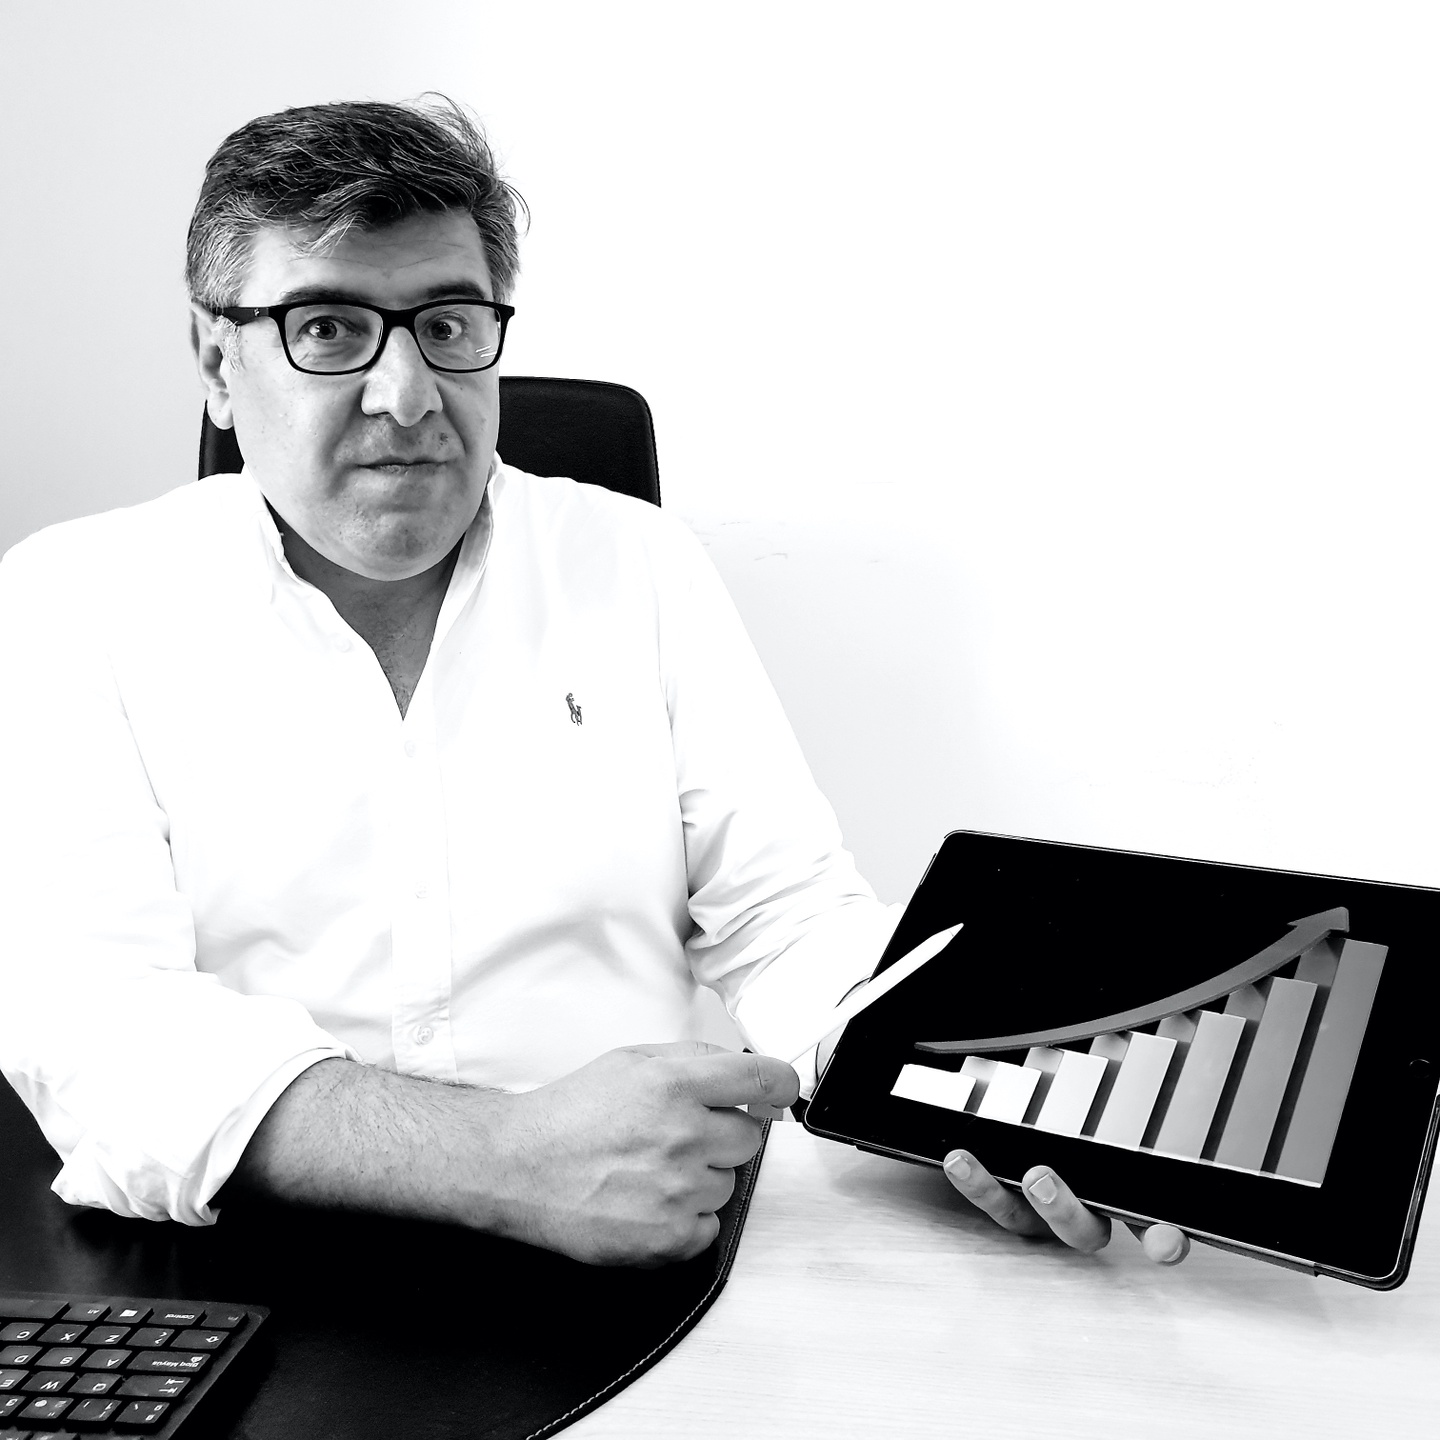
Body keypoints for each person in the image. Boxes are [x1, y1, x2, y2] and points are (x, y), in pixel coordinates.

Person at [0, 97, 1186, 1268]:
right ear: (217, 361)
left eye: (447, 324)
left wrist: (965, 1097)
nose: (407, 393)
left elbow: (784, 919)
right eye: (327, 327)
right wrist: (504, 1158)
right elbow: (93, 1025)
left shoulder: (637, 565)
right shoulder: (72, 599)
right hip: (239, 1263)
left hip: (635, 1245)